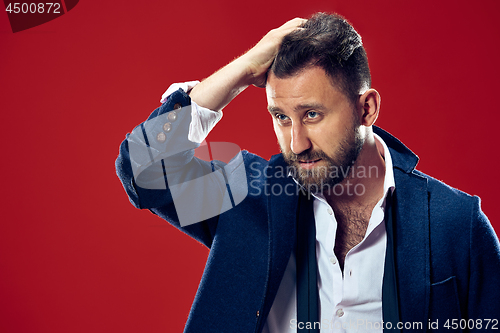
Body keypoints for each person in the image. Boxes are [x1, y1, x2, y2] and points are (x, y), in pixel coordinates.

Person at [116, 13, 500, 333]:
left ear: (366, 109)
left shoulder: (454, 224)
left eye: (311, 115)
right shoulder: (250, 195)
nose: (296, 143)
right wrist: (243, 69)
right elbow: (143, 171)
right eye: (281, 117)